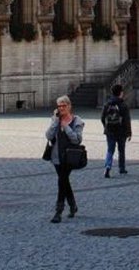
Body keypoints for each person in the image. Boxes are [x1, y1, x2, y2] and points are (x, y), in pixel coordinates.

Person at [45, 94, 85, 222]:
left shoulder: (77, 121)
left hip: (69, 157)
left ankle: (58, 211)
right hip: (56, 157)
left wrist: (66, 126)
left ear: (69, 106)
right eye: (59, 106)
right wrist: (56, 122)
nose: (61, 108)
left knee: (62, 181)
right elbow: (48, 136)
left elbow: (77, 139)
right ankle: (73, 205)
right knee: (64, 181)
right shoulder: (55, 120)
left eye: (64, 105)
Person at [101, 83, 132, 177]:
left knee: (110, 150)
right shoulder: (123, 105)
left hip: (110, 131)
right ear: (121, 93)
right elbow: (127, 120)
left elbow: (102, 117)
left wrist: (106, 126)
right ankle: (121, 168)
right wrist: (129, 132)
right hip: (121, 131)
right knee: (121, 150)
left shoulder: (107, 104)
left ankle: (107, 167)